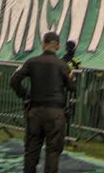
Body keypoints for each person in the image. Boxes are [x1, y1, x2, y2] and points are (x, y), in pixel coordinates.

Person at [10, 31, 75, 173]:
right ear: (57, 46)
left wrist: (24, 95)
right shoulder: (62, 65)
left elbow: (14, 80)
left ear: (43, 44)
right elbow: (71, 87)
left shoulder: (32, 62)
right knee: (53, 152)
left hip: (35, 111)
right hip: (55, 112)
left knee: (32, 150)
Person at [62, 39, 83, 133]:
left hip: (62, 88)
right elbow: (80, 73)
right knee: (69, 111)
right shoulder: (76, 61)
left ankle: (65, 132)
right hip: (70, 88)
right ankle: (67, 133)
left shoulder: (61, 59)